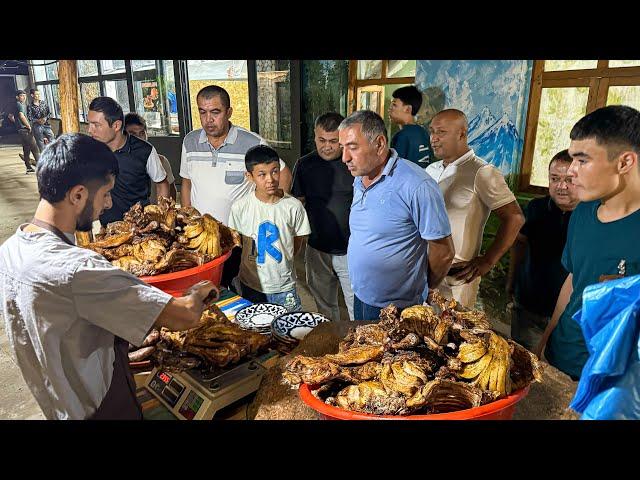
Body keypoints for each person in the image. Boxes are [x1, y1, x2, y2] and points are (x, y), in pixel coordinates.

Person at [0, 133, 218, 420]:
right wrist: (197, 292)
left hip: (57, 404)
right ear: (78, 195)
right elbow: (184, 317)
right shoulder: (80, 271)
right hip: (101, 410)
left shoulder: (10, 251)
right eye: (105, 194)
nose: (107, 204)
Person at [537, 105, 640, 380]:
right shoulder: (583, 211)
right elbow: (574, 281)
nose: (571, 171)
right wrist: (546, 340)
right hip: (561, 356)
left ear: (624, 162)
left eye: (582, 160)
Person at [339, 110, 454, 321]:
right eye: (342, 148)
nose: (345, 157)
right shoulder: (360, 176)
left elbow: (443, 252)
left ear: (380, 144)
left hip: (397, 308)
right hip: (362, 295)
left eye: (353, 147)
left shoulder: (417, 186)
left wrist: (422, 287)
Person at [180, 85, 293, 289]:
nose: (208, 119)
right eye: (202, 112)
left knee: (240, 287)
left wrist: (271, 211)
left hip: (238, 237)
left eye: (215, 112)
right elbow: (187, 182)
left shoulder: (251, 142)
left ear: (229, 112)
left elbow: (283, 174)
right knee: (204, 289)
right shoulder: (190, 141)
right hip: (202, 237)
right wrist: (188, 216)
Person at [426, 109, 524, 309]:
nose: (433, 138)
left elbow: (514, 217)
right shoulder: (431, 170)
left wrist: (487, 261)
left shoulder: (482, 171)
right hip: (426, 271)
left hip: (457, 277)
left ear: (461, 134)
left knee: (455, 335)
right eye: (431, 132)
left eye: (441, 132)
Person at [506, 149, 579, 350]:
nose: (562, 186)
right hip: (529, 304)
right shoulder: (536, 208)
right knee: (521, 362)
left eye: (570, 179)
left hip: (570, 313)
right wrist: (511, 282)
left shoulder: (592, 215)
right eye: (555, 178)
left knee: (560, 372)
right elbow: (519, 244)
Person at [228, 145, 310, 311]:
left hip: (284, 287)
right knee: (255, 332)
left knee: (288, 332)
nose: (270, 179)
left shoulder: (294, 207)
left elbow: (297, 244)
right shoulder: (240, 207)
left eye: (274, 171)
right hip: (251, 286)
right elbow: (237, 244)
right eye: (262, 174)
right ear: (249, 176)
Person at [292, 112, 354, 321]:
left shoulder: (355, 165)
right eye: (321, 140)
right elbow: (298, 204)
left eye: (333, 141)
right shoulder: (304, 164)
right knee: (324, 306)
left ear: (343, 138)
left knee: (356, 304)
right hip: (317, 249)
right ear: (315, 137)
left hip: (352, 250)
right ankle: (333, 344)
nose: (327, 146)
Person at [87, 96, 170, 225]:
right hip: (109, 230)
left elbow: (162, 184)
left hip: (141, 230)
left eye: (96, 125)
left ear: (116, 125)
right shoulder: (91, 151)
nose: (90, 130)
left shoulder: (145, 151)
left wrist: (161, 218)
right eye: (89, 123)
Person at [124, 112, 177, 202]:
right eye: (133, 135)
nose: (139, 139)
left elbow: (172, 192)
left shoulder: (161, 161)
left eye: (141, 134)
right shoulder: (119, 162)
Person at [389, 85, 431, 167]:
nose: (389, 108)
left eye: (394, 105)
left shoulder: (402, 136)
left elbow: (395, 169)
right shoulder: (424, 132)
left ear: (408, 109)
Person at [12, 89, 38, 173]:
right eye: (21, 96)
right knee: (34, 148)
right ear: (17, 97)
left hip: (20, 130)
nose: (24, 97)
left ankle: (28, 167)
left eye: (24, 95)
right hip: (25, 130)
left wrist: (16, 123)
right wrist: (28, 126)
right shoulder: (19, 105)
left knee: (26, 149)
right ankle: (41, 167)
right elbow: (21, 116)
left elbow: (11, 116)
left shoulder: (18, 105)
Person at [27, 88, 55, 152]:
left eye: (39, 94)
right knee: (40, 143)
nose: (38, 96)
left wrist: (45, 118)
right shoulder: (30, 106)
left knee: (52, 139)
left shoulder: (44, 103)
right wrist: (37, 120)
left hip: (46, 125)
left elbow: (49, 113)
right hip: (37, 126)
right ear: (32, 95)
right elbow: (29, 117)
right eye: (36, 94)